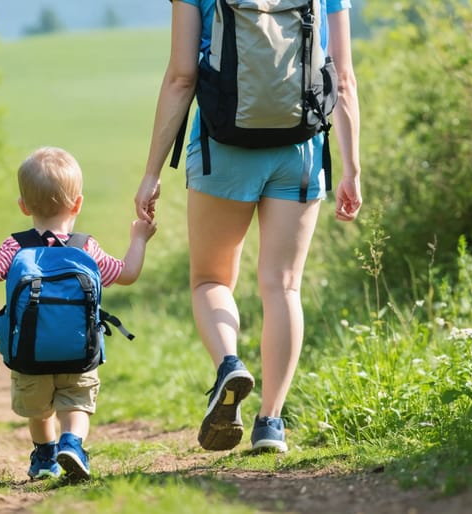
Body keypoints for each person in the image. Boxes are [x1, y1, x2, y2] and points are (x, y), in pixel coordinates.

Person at [134, 0, 363, 452]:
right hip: (300, 148)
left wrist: (152, 172)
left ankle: (229, 365)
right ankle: (271, 425)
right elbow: (344, 77)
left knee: (211, 280)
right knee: (283, 286)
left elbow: (182, 77)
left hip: (223, 145)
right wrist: (352, 168)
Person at [0, 146, 157, 480]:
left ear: (23, 206)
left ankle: (45, 458)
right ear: (78, 204)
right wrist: (139, 239)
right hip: (80, 352)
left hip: (30, 353)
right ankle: (72, 443)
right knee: (76, 404)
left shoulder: (16, 247)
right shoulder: (85, 247)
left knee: (40, 411)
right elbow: (127, 273)